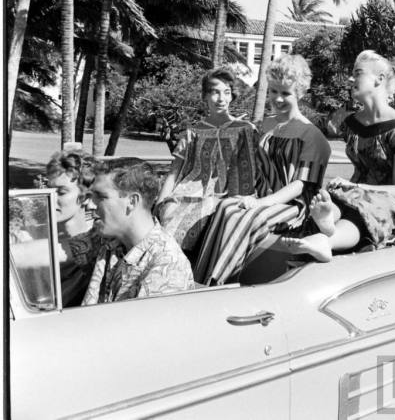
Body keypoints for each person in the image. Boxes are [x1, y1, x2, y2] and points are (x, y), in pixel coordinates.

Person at [284, 50, 395, 262]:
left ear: (379, 79)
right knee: (335, 196)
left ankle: (328, 240)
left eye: (358, 73)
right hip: (361, 194)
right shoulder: (353, 123)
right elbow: (326, 128)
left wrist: (356, 187)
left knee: (367, 205)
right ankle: (326, 221)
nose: (351, 78)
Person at [194, 54, 331, 286]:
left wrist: (261, 203)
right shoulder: (267, 125)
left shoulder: (313, 137)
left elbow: (301, 185)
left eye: (285, 93)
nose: (277, 98)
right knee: (227, 206)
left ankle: (216, 282)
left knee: (250, 216)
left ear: (300, 93)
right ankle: (198, 276)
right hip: (265, 197)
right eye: (273, 91)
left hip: (295, 207)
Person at [154, 67, 262, 260]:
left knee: (202, 212)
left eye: (227, 92)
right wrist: (160, 203)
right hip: (188, 192)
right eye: (215, 92)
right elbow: (174, 171)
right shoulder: (193, 132)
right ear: (205, 96)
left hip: (228, 195)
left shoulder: (245, 130)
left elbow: (256, 172)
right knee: (168, 212)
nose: (221, 99)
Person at [83, 158, 194, 305]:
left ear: (132, 202)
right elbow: (58, 252)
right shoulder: (109, 238)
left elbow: (142, 327)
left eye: (101, 197)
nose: (89, 204)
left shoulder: (167, 266)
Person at [10, 149, 101, 307]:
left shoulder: (95, 240)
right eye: (48, 188)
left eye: (61, 192)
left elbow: (18, 255)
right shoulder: (32, 233)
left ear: (86, 198)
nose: (51, 198)